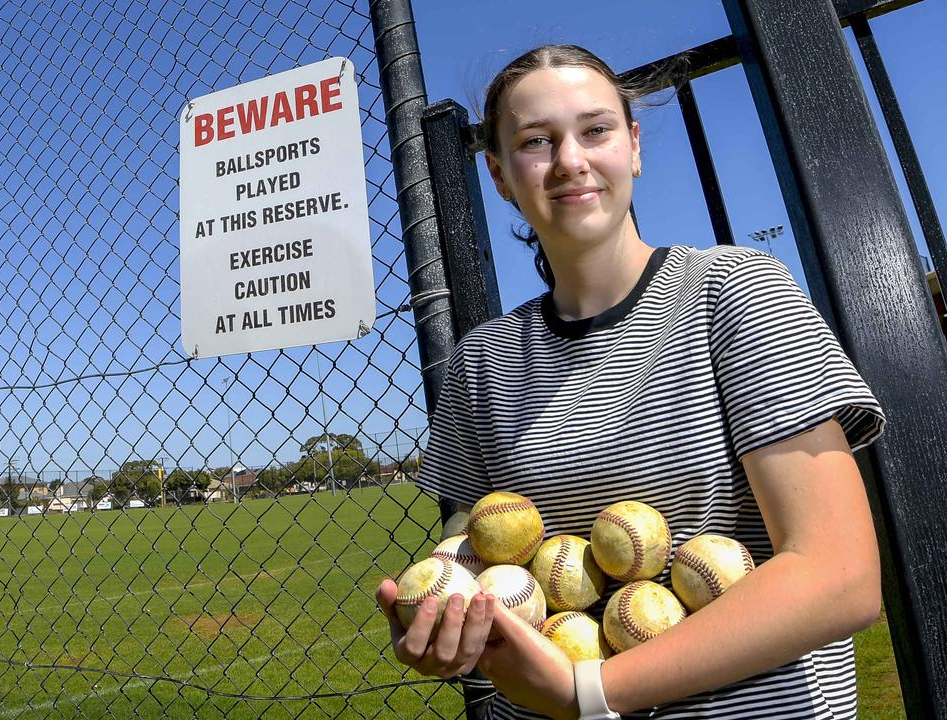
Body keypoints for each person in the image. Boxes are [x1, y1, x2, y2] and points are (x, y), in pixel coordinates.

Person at [374, 44, 886, 719]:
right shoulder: (483, 360)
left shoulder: (732, 293)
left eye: (595, 130)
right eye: (536, 141)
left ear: (634, 147)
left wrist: (587, 694)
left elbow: (840, 578)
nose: (570, 160)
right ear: (498, 174)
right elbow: (471, 554)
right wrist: (446, 619)